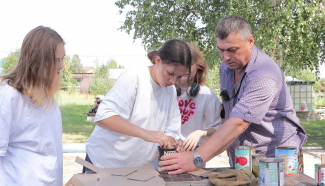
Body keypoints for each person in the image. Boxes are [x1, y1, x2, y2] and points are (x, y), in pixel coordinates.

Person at [159, 15, 307, 174]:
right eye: (221, 49)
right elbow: (231, 112)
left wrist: (195, 158)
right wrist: (229, 146)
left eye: (232, 50)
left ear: (250, 41)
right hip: (243, 157)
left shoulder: (264, 73)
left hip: (277, 158)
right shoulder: (226, 67)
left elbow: (239, 123)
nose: (225, 57)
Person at [84, 39, 192, 170]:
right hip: (103, 165)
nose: (173, 81)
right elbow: (104, 116)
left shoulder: (171, 90)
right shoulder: (135, 77)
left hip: (137, 170)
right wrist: (144, 133)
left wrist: (167, 143)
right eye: (170, 73)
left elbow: (171, 131)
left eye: (179, 77)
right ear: (158, 61)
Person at [0, 26, 65, 185]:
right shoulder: (9, 95)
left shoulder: (46, 94)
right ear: (39, 60)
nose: (62, 66)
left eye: (63, 59)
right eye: (57, 60)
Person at [174, 43, 222, 151]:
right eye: (180, 63)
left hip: (193, 155)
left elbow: (217, 130)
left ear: (198, 65)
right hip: (167, 151)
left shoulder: (207, 95)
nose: (184, 68)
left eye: (189, 64)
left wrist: (200, 133)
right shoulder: (166, 92)